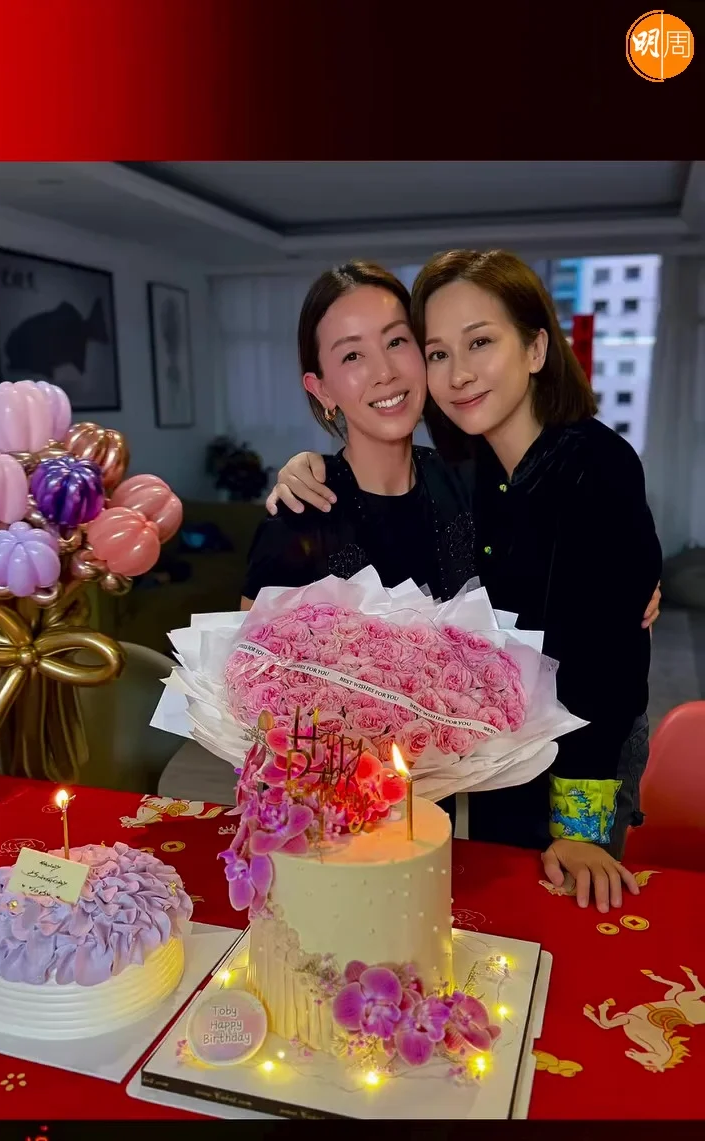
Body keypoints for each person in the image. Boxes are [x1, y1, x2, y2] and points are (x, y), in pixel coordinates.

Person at [264, 250, 663, 914]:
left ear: (536, 348)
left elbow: (609, 670)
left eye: (480, 343)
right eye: (438, 353)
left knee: (560, 921)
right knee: (495, 920)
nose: (458, 374)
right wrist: (305, 465)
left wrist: (580, 829)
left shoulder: (593, 465)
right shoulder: (468, 466)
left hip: (584, 760)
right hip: (505, 750)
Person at [241, 261, 478, 828]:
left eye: (396, 341)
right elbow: (252, 691)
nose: (385, 372)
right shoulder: (300, 514)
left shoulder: (469, 485)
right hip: (330, 815)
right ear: (321, 389)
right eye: (352, 356)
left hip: (460, 799)